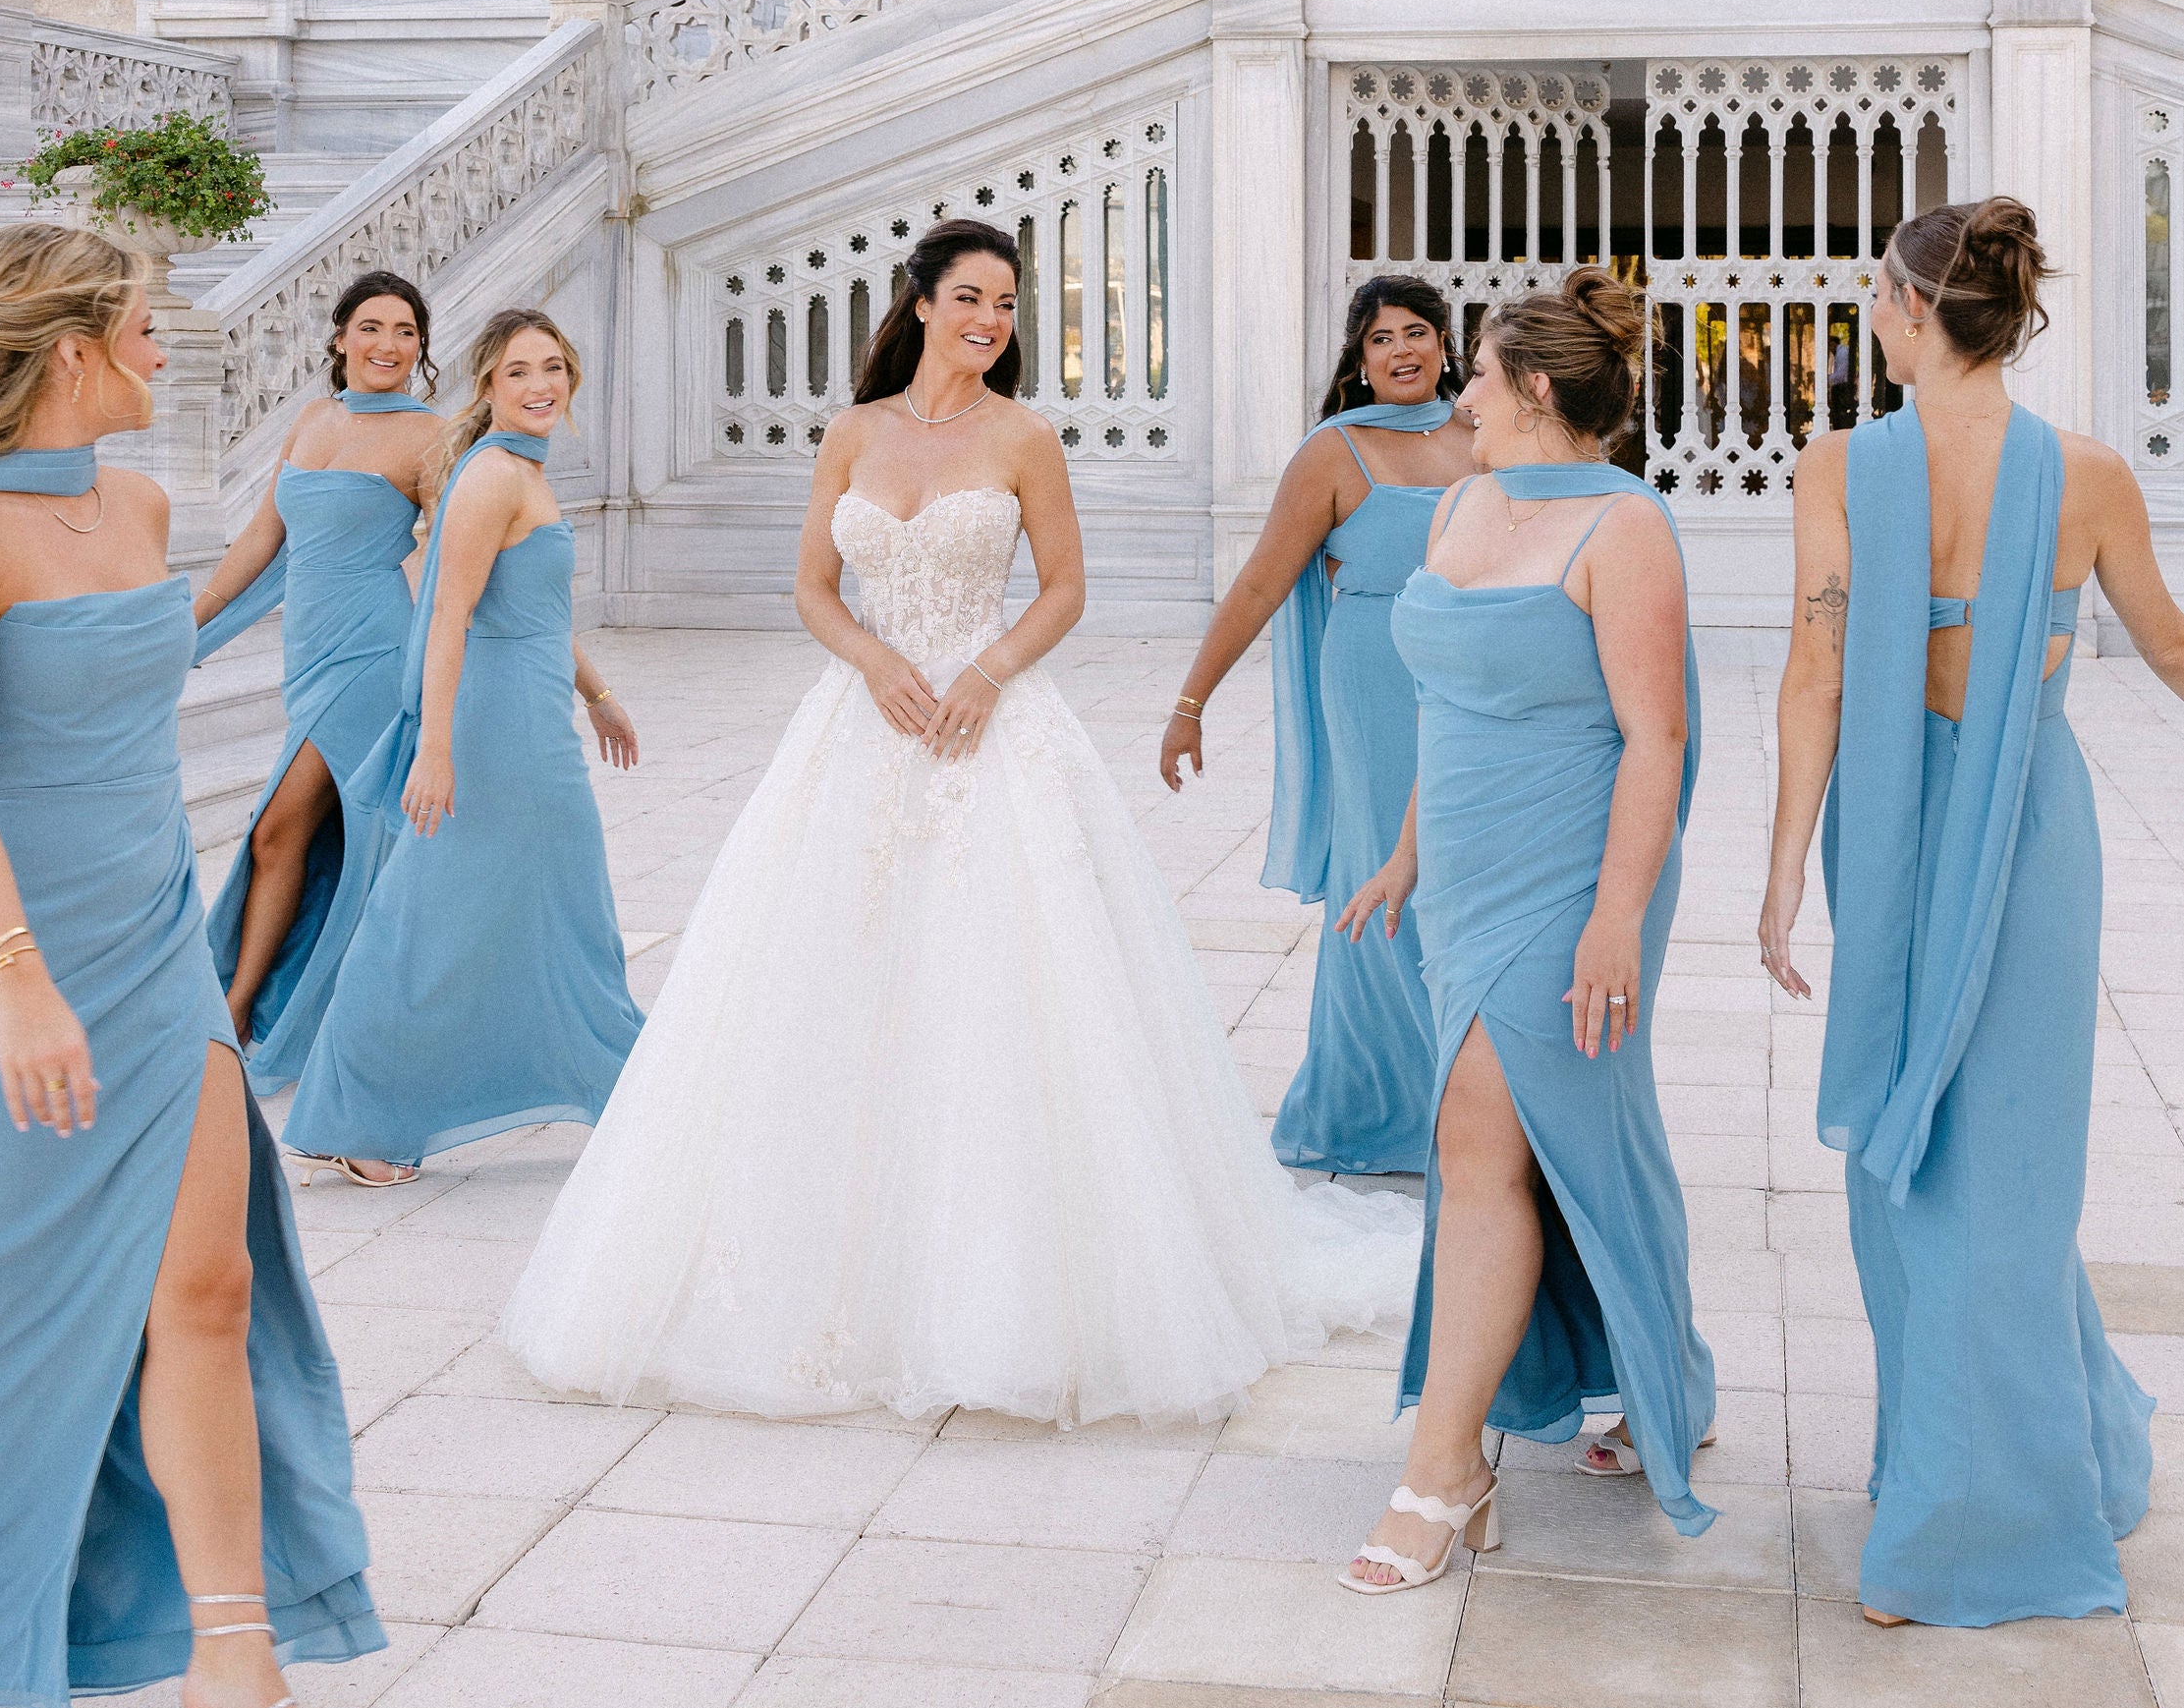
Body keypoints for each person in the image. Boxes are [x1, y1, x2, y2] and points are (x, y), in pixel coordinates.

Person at [505, 219, 1420, 1429]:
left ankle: (1019, 1295)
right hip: (863, 727)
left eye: (1007, 303)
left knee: (1012, 992)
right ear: (923, 303)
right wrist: (875, 662)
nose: (991, 320)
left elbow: (1066, 588)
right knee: (824, 982)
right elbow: (812, 589)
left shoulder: (1024, 435)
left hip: (994, 731)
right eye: (973, 298)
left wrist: (986, 672)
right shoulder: (853, 432)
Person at [0, 224, 377, 1708]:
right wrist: (17, 989)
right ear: (74, 348)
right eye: (146, 318)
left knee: (206, 1293)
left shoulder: (136, 505)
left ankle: (232, 1656)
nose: (167, 338)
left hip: (150, 957)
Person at [1760, 199, 2168, 1628]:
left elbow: (1813, 679)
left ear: (1917, 309)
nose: (1872, 316)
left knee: (1926, 1170)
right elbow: (2175, 657)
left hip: (1890, 836)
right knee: (1997, 1172)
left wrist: (1777, 871)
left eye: (1878, 295)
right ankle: (2028, 1446)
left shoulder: (1836, 465)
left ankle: (1963, 1524)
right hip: (2026, 831)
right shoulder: (2093, 477)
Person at [1338, 268, 1714, 1591]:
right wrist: (1403, 856)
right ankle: (1657, 1366)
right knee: (1570, 1142)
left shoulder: (1625, 528)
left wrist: (1615, 918)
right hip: (1463, 882)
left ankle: (1445, 1471)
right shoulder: (1461, 500)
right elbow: (1449, 705)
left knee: (1475, 1139)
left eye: (1483, 376)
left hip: (1569, 881)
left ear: (1538, 391)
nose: (1464, 392)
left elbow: (1654, 738)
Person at [281, 307, 644, 1183]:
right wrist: (435, 750)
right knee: (427, 918)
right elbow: (447, 616)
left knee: (558, 906)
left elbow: (532, 614)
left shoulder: (518, 470)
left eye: (553, 368)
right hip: (492, 727)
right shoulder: (492, 478)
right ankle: (354, 1115)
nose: (541, 386)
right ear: (487, 386)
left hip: (530, 718)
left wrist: (597, 693)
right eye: (519, 372)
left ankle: (620, 1090)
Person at [1161, 276, 1476, 1173]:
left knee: (1463, 881)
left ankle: (1473, 1099)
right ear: (1359, 356)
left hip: (1473, 679)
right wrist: (1189, 705)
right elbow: (1261, 583)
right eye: (1382, 339)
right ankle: (1382, 1109)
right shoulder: (1333, 452)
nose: (1402, 351)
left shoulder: (1483, 438)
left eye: (1418, 332)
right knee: (1381, 881)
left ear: (1446, 345)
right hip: (1374, 683)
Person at [196, 270, 443, 1076]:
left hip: (372, 656)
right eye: (372, 327)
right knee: (310, 839)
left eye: (405, 332)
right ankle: (273, 1010)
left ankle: (234, 1015)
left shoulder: (429, 437)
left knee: (278, 830)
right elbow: (262, 539)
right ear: (339, 337)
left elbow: (452, 558)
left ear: (421, 348)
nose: (389, 346)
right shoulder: (311, 419)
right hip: (307, 654)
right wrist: (188, 621)